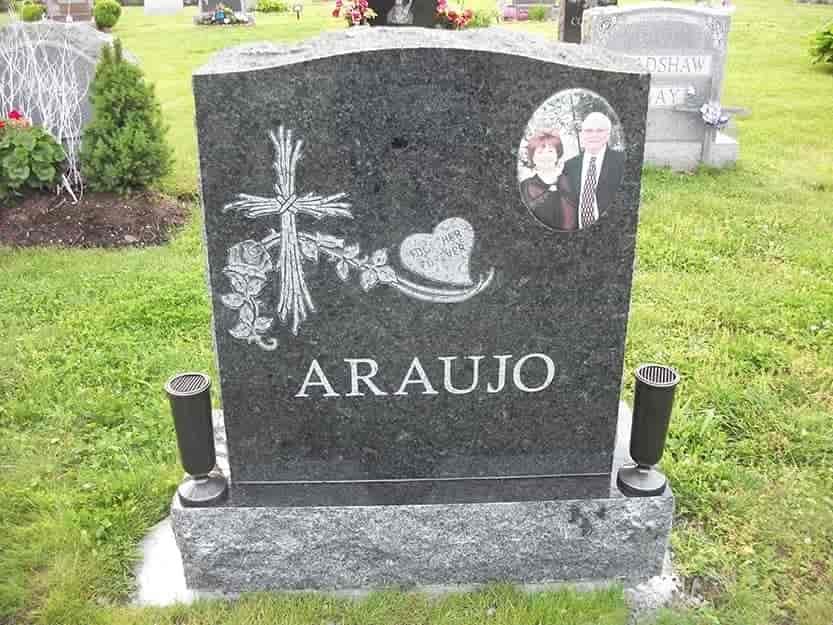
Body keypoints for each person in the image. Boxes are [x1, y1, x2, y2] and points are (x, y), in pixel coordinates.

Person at [562, 112, 625, 230]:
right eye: (589, 131)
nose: (593, 135)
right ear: (582, 135)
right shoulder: (569, 166)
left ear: (607, 135)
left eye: (599, 131)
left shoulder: (622, 161)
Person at [519, 131, 578, 231]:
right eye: (540, 152)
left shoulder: (572, 180)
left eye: (550, 151)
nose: (545, 156)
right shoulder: (524, 187)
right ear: (532, 157)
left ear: (557, 154)